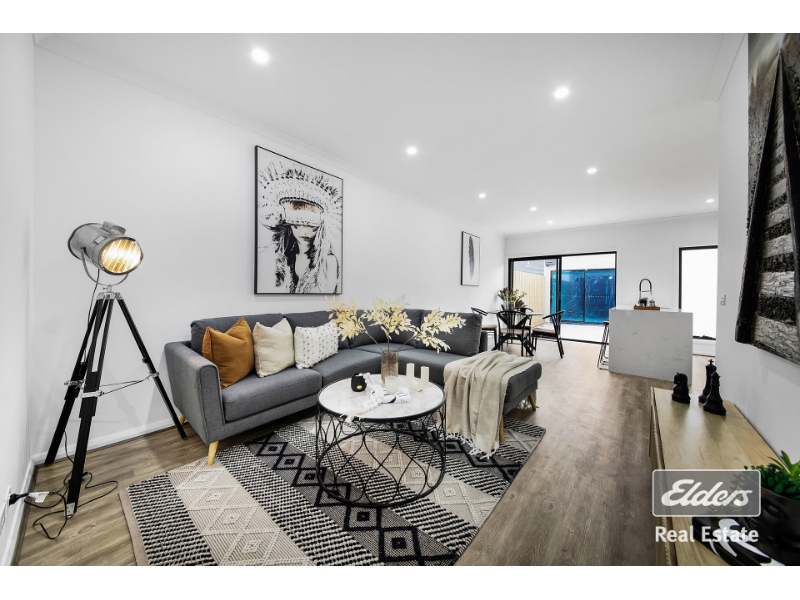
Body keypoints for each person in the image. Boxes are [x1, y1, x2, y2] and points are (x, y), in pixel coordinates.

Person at [256, 162, 342, 294]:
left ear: (320, 227)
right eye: (296, 225)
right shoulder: (283, 258)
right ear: (289, 225)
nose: (304, 232)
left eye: (311, 226)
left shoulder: (328, 261)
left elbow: (327, 300)